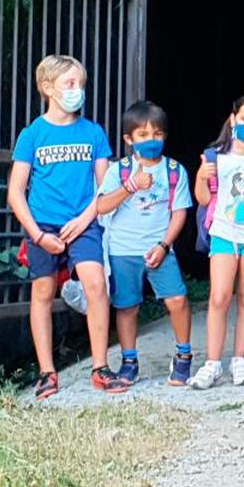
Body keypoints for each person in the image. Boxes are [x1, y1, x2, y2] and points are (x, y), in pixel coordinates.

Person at [7, 55, 122, 398]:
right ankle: (47, 373)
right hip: (42, 224)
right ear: (47, 88)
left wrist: (86, 219)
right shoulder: (32, 135)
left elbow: (104, 186)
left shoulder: (93, 132)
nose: (77, 91)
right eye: (69, 84)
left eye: (80, 84)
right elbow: (16, 192)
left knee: (96, 284)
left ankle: (100, 367)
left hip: (84, 222)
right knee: (42, 292)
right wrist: (39, 235)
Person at [96, 101, 194, 386]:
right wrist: (132, 185)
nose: (151, 140)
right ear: (129, 139)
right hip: (122, 250)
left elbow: (179, 213)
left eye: (157, 134)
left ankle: (184, 356)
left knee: (177, 299)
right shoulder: (119, 171)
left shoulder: (175, 171)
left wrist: (164, 246)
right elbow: (101, 206)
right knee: (127, 306)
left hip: (160, 249)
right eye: (143, 134)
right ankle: (129, 361)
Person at [190, 93, 244, 389]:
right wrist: (201, 176)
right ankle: (212, 363)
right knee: (219, 297)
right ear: (233, 119)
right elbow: (203, 199)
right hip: (224, 234)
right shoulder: (214, 156)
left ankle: (239, 360)